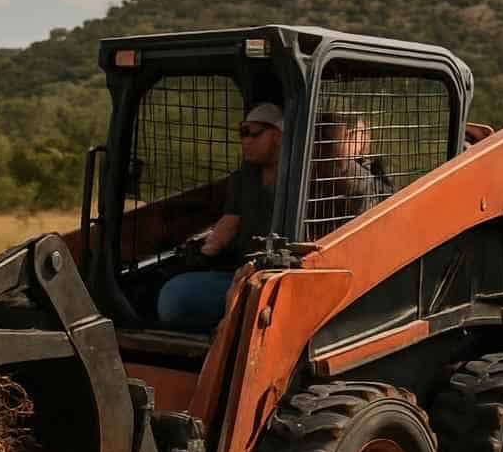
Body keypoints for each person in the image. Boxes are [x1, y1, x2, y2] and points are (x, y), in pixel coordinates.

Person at [156, 102, 284, 330]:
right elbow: (229, 223)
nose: (245, 141)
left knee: (175, 298)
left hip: (277, 279)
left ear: (277, 135)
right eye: (242, 134)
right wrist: (204, 251)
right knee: (169, 293)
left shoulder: (297, 178)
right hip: (240, 272)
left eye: (252, 134)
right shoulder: (245, 178)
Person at [310, 115, 394, 223]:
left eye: (359, 134)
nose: (357, 140)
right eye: (348, 134)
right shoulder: (321, 166)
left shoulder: (373, 170)